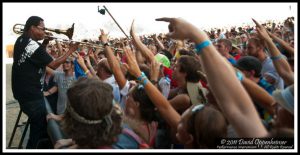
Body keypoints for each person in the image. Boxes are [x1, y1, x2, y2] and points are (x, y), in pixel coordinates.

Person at [11, 16, 78, 149]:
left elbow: (36, 56)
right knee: (39, 132)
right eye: (42, 29)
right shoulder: (30, 44)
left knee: (38, 129)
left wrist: (45, 42)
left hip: (24, 92)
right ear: (33, 28)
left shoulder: (22, 40)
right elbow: (53, 64)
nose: (44, 31)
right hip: (31, 95)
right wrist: (71, 50)